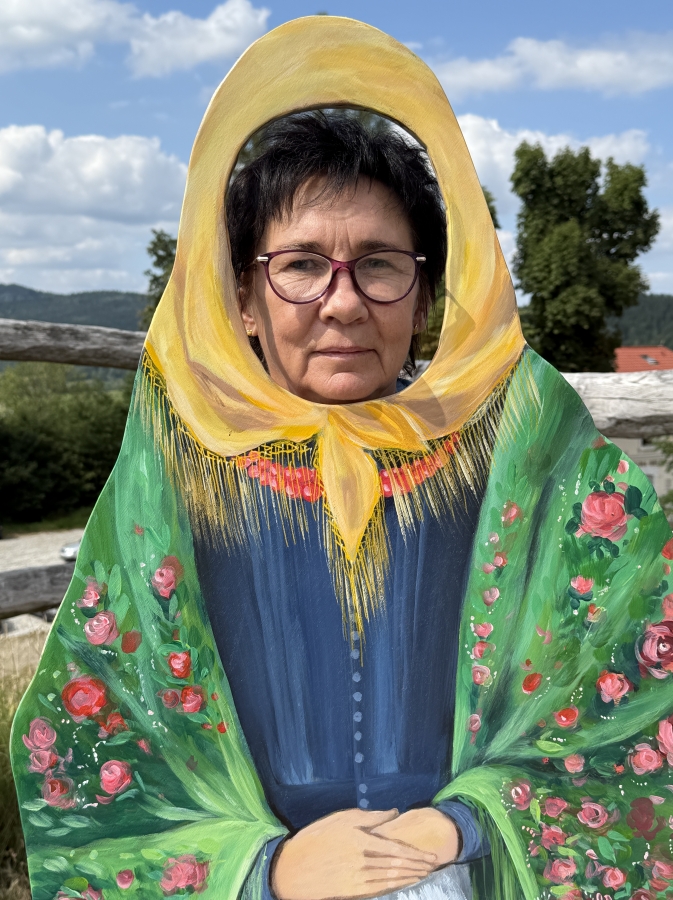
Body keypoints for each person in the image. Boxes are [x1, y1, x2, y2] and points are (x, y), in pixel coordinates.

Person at [11, 17, 673, 900]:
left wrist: (462, 824)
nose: (342, 302)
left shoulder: (522, 448)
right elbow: (107, 752)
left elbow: (625, 680)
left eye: (379, 264)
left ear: (427, 293)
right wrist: (267, 869)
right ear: (243, 297)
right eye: (299, 266)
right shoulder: (175, 471)